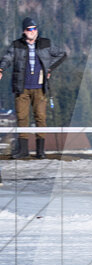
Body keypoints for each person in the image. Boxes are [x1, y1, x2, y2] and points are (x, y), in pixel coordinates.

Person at [0, 17, 68, 159]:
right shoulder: (16, 45)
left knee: (40, 118)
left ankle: (40, 151)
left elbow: (62, 54)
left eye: (34, 28)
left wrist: (49, 68)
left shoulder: (45, 44)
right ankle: (23, 150)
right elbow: (7, 58)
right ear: (24, 31)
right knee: (22, 118)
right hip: (21, 88)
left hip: (40, 88)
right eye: (29, 29)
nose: (33, 31)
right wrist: (1, 68)